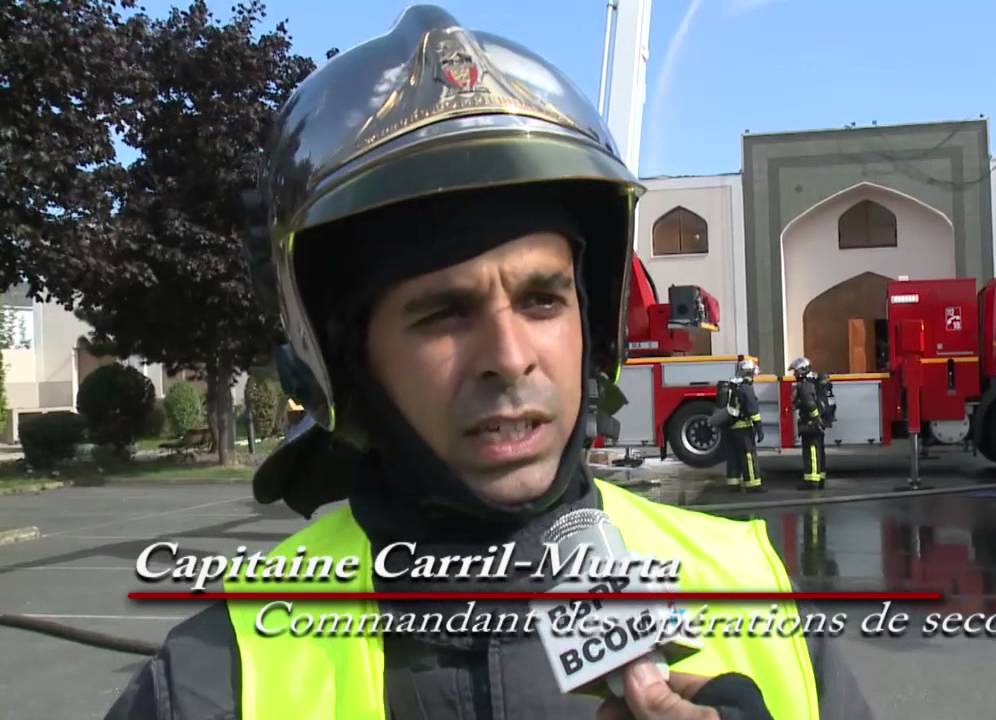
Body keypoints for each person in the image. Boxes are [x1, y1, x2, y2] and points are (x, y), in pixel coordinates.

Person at [104, 6, 871, 719]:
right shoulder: (221, 674)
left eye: (542, 300)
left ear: (592, 323)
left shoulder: (750, 590)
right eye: (442, 314)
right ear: (347, 361)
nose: (509, 358)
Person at [724, 357, 767, 493]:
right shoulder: (746, 388)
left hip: (732, 428)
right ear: (748, 373)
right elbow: (752, 409)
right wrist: (759, 427)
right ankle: (753, 485)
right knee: (748, 455)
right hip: (743, 428)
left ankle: (733, 483)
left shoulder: (734, 386)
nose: (755, 376)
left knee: (733, 456)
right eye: (754, 373)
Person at [789, 357, 826, 490]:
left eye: (795, 371)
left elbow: (810, 404)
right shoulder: (811, 383)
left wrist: (816, 420)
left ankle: (812, 482)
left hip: (810, 424)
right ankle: (819, 479)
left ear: (802, 371)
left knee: (811, 452)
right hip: (814, 423)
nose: (794, 375)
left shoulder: (804, 385)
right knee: (818, 451)